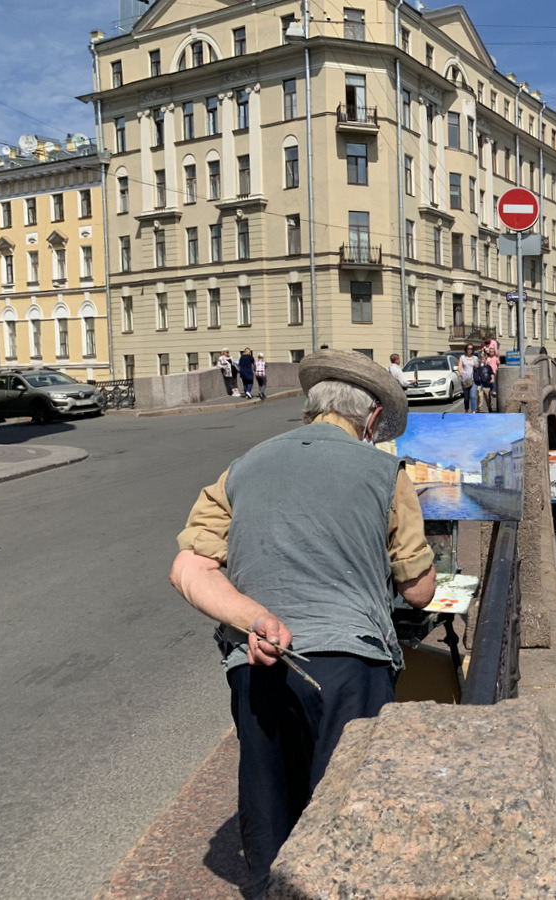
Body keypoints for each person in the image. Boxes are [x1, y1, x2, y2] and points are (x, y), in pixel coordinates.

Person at [169, 349, 436, 897]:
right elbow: (419, 590)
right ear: (370, 420)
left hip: (259, 661)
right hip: (352, 667)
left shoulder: (241, 468)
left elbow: (188, 567)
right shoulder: (387, 471)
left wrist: (256, 618)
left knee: (272, 807)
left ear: (309, 410)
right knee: (346, 815)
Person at [458, 343, 478, 413]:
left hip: (473, 379)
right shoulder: (462, 357)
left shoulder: (475, 358)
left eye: (471, 349)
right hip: (465, 380)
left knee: (472, 395)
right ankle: (466, 409)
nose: (470, 350)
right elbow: (459, 367)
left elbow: (477, 367)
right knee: (466, 398)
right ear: (466, 349)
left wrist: (477, 365)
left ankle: (473, 411)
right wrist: (461, 373)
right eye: (468, 348)